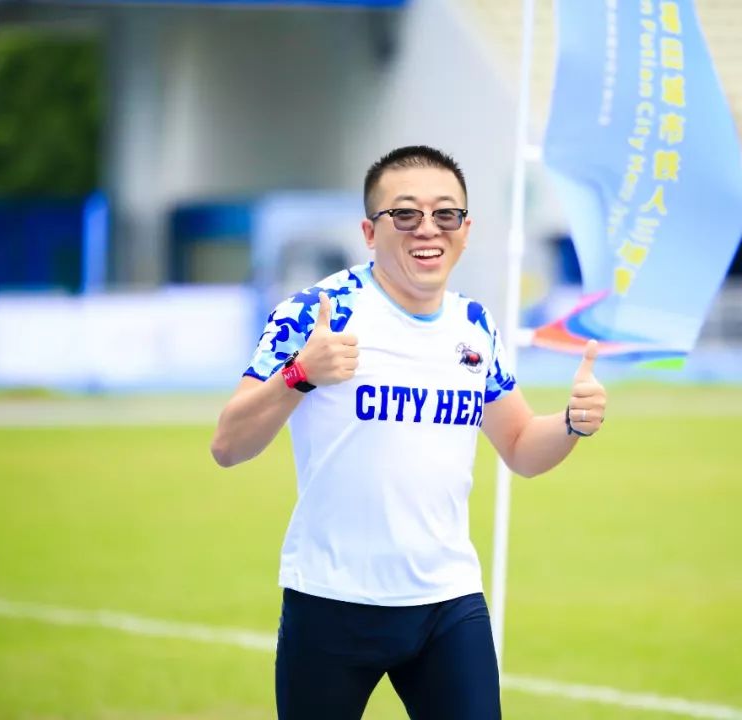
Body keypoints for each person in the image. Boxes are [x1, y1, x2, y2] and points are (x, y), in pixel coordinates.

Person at [211, 145, 607, 720]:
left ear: (465, 230)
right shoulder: (316, 313)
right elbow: (228, 445)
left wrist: (571, 423)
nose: (427, 228)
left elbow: (521, 447)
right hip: (332, 600)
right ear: (370, 232)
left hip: (447, 603)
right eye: (405, 213)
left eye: (445, 213)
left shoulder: (474, 325)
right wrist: (300, 375)